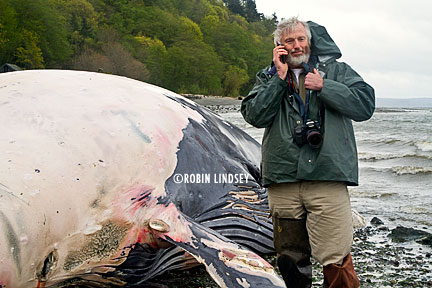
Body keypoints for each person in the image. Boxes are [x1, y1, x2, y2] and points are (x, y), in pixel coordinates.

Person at [241, 17, 375, 288]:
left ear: (310, 42)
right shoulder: (268, 76)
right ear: (280, 46)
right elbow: (254, 115)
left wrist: (326, 87)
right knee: (289, 256)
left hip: (328, 176)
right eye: (289, 41)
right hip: (283, 177)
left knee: (335, 255)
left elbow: (365, 106)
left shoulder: (337, 71)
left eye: (301, 39)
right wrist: (278, 80)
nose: (296, 45)